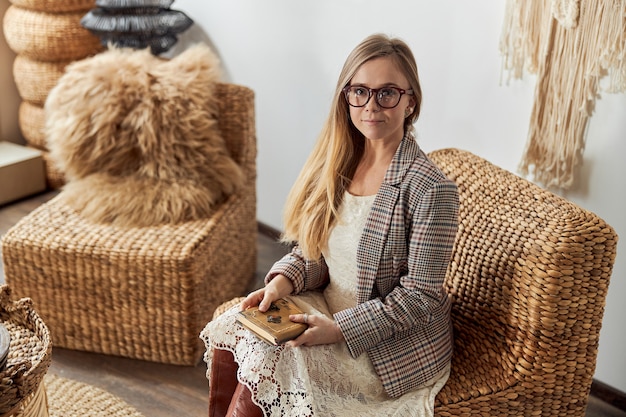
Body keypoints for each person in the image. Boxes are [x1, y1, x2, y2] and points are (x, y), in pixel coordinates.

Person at [201, 33, 459, 417]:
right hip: (326, 305)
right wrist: (280, 283)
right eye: (360, 92)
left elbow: (418, 298)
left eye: (387, 92)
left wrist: (338, 330)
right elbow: (316, 251)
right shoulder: (342, 161)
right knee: (233, 328)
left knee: (276, 361)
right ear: (346, 97)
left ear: (411, 102)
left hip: (385, 344)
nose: (371, 105)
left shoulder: (431, 188)